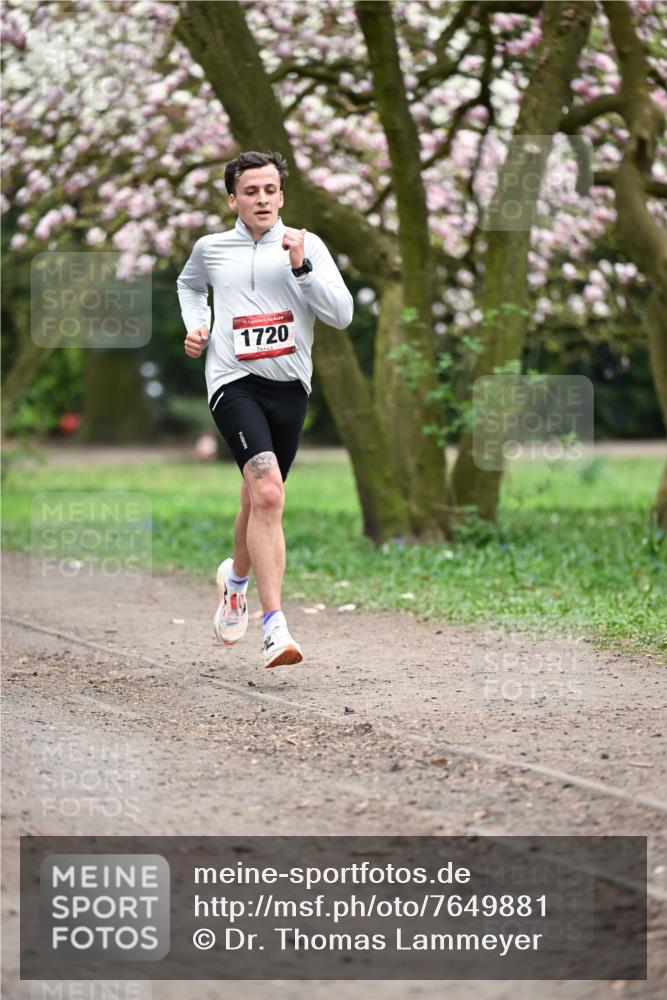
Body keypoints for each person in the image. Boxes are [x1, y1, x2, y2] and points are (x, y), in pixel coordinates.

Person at [177, 151, 353, 668]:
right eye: (250, 191)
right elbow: (189, 285)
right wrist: (198, 324)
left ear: (282, 195)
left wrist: (301, 268)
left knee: (257, 500)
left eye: (270, 191)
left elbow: (341, 315)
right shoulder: (211, 249)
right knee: (270, 493)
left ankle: (234, 582)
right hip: (233, 381)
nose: (261, 200)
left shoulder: (305, 245)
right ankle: (274, 626)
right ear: (233, 198)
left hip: (289, 386)